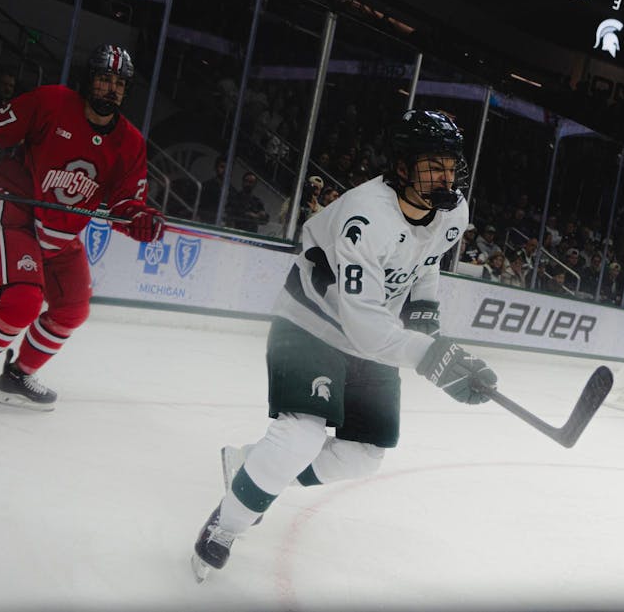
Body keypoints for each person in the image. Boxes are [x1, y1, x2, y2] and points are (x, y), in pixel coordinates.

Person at [190, 109, 497, 581]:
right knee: (300, 436)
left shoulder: (452, 210)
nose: (445, 175)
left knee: (362, 455)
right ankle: (226, 525)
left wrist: (426, 321)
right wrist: (432, 358)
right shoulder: (366, 217)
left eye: (450, 164)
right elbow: (366, 330)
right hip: (310, 321)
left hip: (374, 331)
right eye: (432, 164)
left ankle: (249, 468)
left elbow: (427, 258)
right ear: (401, 166)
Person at [0, 44, 164, 420]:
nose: (111, 89)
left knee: (73, 309)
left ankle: (18, 375)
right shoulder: (52, 102)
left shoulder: (130, 143)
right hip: (17, 211)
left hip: (62, 233)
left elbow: (126, 205)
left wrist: (140, 219)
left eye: (119, 83)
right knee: (24, 303)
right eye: (103, 79)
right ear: (87, 81)